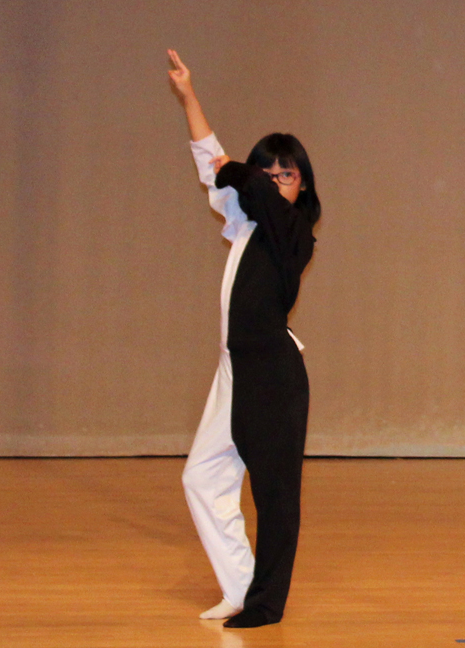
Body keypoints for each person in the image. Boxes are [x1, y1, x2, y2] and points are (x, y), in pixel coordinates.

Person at [168, 49, 321, 628]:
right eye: (270, 171)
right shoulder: (247, 223)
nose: (275, 183)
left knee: (276, 497)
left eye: (287, 175)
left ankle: (266, 604)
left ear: (302, 186)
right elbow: (215, 166)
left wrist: (243, 173)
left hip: (274, 376)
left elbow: (241, 181)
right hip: (235, 368)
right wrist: (190, 98)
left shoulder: (296, 232)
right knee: (202, 477)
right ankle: (240, 586)